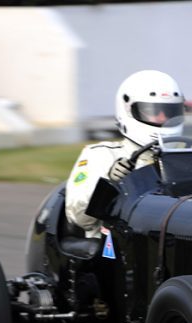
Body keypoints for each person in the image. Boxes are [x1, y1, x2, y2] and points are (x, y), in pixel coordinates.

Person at [65, 70, 185, 237]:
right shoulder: (100, 155)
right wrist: (110, 183)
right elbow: (79, 219)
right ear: (128, 110)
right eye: (153, 112)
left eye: (170, 112)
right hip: (113, 250)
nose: (162, 118)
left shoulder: (184, 157)